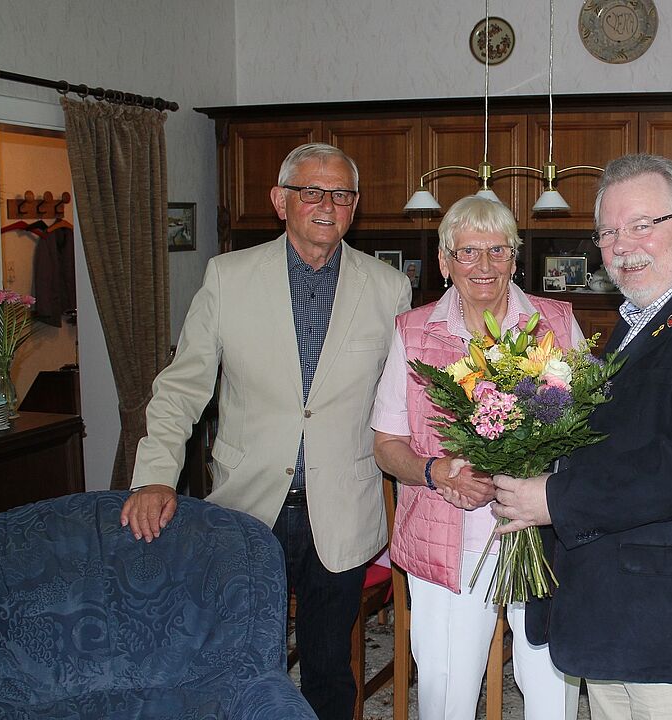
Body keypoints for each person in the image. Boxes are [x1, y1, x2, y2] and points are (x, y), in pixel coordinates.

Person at [491, 154, 672, 720]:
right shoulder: (643, 317)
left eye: (641, 226)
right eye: (607, 231)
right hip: (624, 615)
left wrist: (553, 498)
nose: (621, 246)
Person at [122, 142, 411, 720]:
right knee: (242, 660)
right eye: (311, 191)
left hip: (343, 507)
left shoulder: (388, 289)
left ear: (355, 206)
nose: (327, 205)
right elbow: (182, 388)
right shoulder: (228, 278)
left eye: (341, 194)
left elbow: (402, 402)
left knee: (330, 671)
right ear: (280, 201)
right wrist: (154, 477)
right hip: (248, 504)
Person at [370, 195, 583, 720]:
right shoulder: (413, 332)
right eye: (467, 252)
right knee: (446, 691)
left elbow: (587, 426)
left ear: (516, 259)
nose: (483, 266)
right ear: (444, 262)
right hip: (448, 543)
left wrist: (540, 471)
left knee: (551, 686)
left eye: (497, 251)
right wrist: (434, 470)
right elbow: (386, 444)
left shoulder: (555, 323)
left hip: (539, 537)